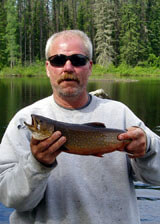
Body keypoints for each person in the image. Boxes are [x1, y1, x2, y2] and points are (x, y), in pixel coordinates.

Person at [0, 30, 160, 224]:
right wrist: (36, 164)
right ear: (48, 67)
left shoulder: (121, 114)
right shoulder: (23, 120)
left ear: (90, 66)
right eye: (58, 60)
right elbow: (10, 198)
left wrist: (147, 148)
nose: (68, 67)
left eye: (78, 60)